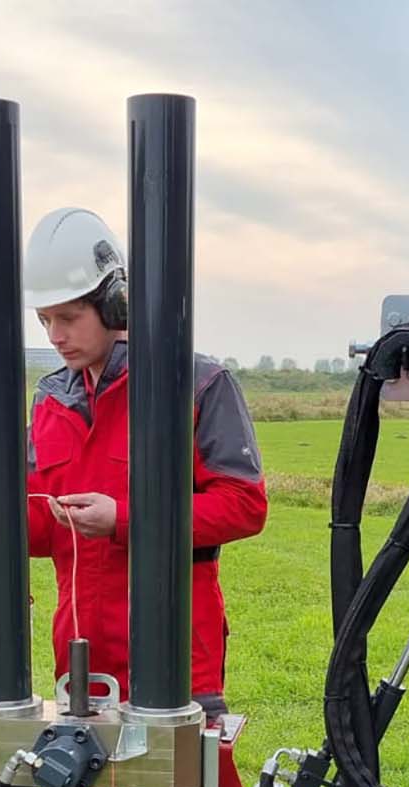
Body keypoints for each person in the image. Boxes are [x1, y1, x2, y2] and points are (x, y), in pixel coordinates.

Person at [22, 206, 266, 717]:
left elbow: (245, 507)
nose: (54, 336)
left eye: (68, 318)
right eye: (45, 320)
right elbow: (40, 531)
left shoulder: (196, 386)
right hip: (82, 657)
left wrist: (124, 520)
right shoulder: (49, 403)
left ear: (116, 305)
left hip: (174, 651)